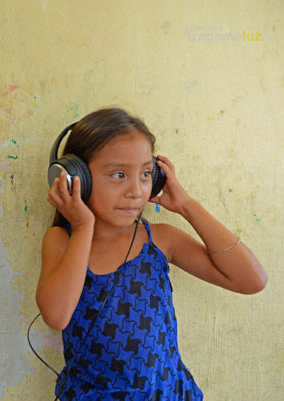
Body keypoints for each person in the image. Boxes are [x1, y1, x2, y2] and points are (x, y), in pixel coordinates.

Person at [35, 108, 267, 400]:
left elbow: (251, 280)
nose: (135, 190)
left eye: (146, 174)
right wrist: (83, 227)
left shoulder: (159, 240)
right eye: (118, 175)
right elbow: (56, 316)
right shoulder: (63, 241)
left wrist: (186, 205)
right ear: (74, 178)